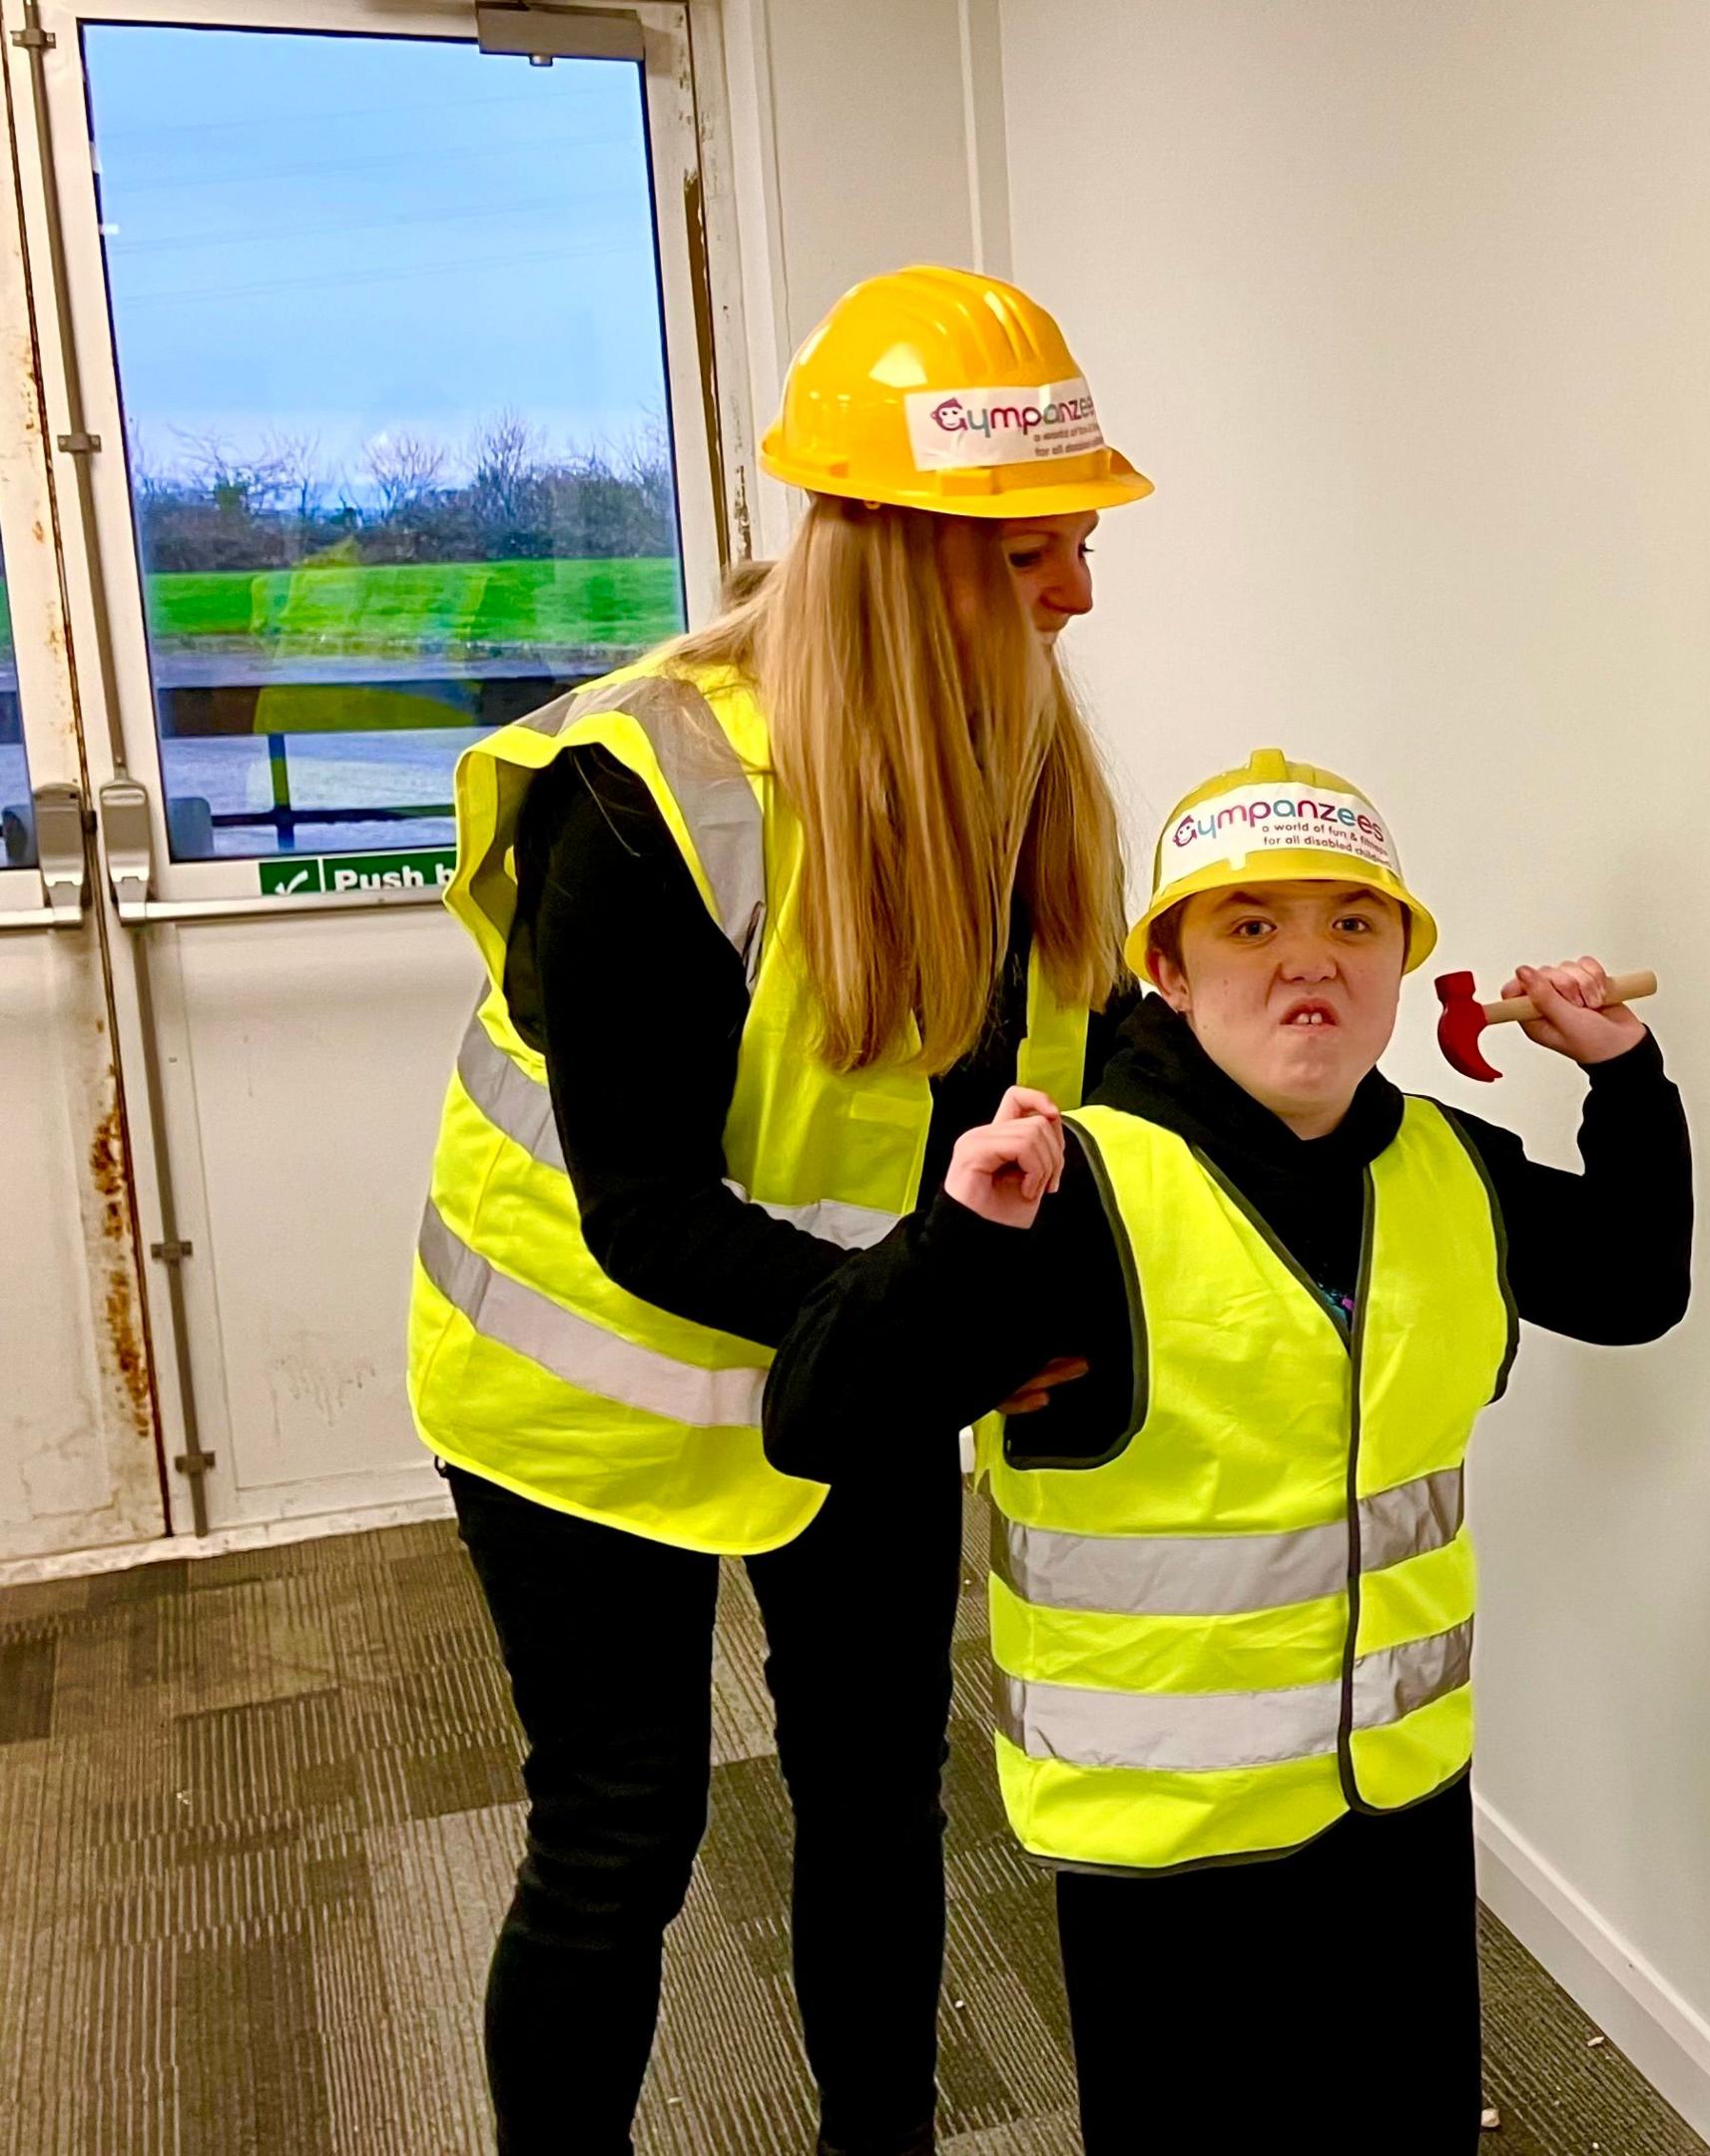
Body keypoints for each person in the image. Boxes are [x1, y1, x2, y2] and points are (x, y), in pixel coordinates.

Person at [405, 266, 1149, 2155]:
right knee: (622, 1834)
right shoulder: (646, 787)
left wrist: (1323, 1084)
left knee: (877, 1804)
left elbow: (1079, 1065)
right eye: (1034, 554)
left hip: (862, 1367)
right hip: (588, 1397)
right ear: (902, 556)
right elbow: (643, 1207)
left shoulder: (1020, 766)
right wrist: (931, 1321)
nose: (1079, 592)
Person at [762, 750, 1695, 2151]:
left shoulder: (1451, 1168)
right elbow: (816, 1419)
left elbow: (1634, 1287)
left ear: (1399, 970)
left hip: (1395, 1808)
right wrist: (958, 1246)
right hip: (1167, 1845)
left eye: (1353, 925)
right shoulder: (1075, 1191)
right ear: (1173, 975)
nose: (1309, 961)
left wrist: (1625, 1077)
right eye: (1251, 926)